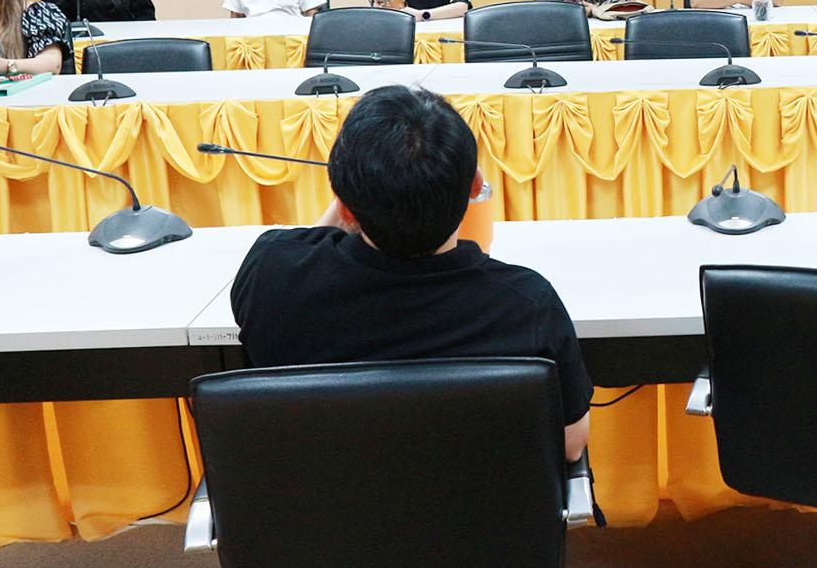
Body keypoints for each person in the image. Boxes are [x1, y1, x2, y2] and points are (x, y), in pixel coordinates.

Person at [230, 84, 592, 463]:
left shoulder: (271, 275)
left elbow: (305, 248)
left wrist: (351, 200)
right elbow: (571, 444)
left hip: (323, 497)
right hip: (476, 502)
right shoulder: (527, 304)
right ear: (475, 186)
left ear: (346, 210)